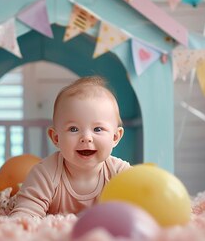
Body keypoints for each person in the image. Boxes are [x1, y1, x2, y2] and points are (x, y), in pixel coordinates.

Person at [10, 76, 131, 218]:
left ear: (115, 137)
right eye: (73, 129)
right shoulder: (45, 174)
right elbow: (24, 216)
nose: (86, 137)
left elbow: (143, 207)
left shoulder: (120, 174)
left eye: (98, 129)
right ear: (56, 138)